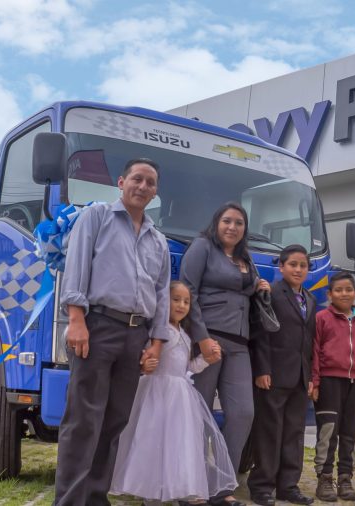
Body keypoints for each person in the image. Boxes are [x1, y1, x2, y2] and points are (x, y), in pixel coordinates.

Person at [54, 158, 171, 506]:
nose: (143, 186)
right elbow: (76, 266)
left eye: (150, 182)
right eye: (137, 179)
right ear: (121, 182)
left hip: (136, 336)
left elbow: (162, 293)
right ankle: (69, 501)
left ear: (155, 192)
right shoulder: (97, 216)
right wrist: (77, 319)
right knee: (83, 421)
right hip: (97, 328)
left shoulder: (158, 241)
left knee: (114, 421)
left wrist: (156, 343)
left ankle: (95, 498)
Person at [180, 201, 271, 506]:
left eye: (239, 223)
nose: (232, 227)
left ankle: (222, 486)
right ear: (216, 223)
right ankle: (191, 487)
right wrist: (202, 338)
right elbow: (188, 292)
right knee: (199, 415)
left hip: (240, 345)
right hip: (209, 340)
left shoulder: (246, 257)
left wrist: (259, 285)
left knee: (243, 413)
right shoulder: (202, 247)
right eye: (227, 221)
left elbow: (244, 291)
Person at [111, 281, 234, 505]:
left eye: (186, 302)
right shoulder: (157, 332)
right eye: (176, 300)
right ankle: (149, 491)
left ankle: (173, 487)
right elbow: (143, 355)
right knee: (151, 438)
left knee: (177, 443)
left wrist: (207, 359)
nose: (181, 305)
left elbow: (188, 368)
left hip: (180, 396)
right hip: (156, 392)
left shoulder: (186, 335)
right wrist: (143, 365)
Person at [248, 244, 317, 506]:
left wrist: (310, 376)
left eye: (303, 265)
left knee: (293, 433)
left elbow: (309, 341)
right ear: (281, 267)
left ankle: (288, 486)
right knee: (269, 432)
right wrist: (262, 369)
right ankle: (262, 486)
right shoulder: (272, 294)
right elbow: (261, 334)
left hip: (299, 377)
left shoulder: (309, 299)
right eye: (293, 264)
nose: (298, 269)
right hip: (273, 374)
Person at [310, 272, 355, 503]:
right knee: (328, 430)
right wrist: (315, 381)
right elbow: (313, 352)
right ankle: (324, 478)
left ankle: (345, 479)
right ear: (329, 294)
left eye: (348, 289)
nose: (344, 293)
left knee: (354, 431)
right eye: (338, 290)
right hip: (330, 381)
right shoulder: (321, 318)